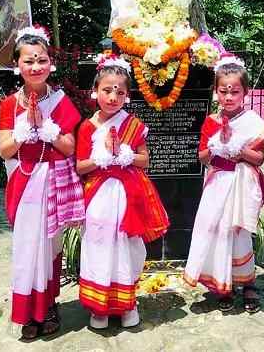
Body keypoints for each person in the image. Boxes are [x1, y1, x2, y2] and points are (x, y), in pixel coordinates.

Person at [0, 25, 85, 339]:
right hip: (23, 183)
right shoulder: (10, 104)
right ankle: (26, 312)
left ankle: (47, 306)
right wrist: (25, 128)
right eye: (28, 61)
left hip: (53, 184)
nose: (36, 67)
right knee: (26, 247)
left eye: (41, 60)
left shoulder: (60, 103)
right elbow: (4, 148)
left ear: (51, 62)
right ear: (17, 65)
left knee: (49, 246)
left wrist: (45, 125)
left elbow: (70, 147)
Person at [75, 53, 170, 329]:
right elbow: (81, 167)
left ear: (127, 95)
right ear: (95, 92)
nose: (113, 97)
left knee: (128, 248)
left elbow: (145, 160)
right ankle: (99, 308)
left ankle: (127, 303)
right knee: (99, 246)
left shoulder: (133, 126)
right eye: (107, 90)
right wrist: (101, 159)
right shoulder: (87, 127)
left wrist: (126, 155)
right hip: (99, 199)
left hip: (128, 198)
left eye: (120, 92)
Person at [182, 53, 264, 313]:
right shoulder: (211, 122)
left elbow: (260, 159)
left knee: (239, 233)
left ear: (245, 92)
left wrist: (239, 149)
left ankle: (249, 281)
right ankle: (223, 283)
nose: (229, 97)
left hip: (241, 184)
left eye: (235, 91)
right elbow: (202, 157)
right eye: (223, 91)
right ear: (216, 92)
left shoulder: (252, 122)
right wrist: (216, 145)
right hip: (218, 183)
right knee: (218, 231)